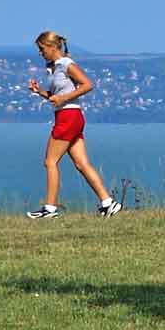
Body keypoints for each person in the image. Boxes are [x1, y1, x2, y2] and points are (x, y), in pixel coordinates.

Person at [25, 30, 121, 219]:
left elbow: (87, 84)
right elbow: (56, 98)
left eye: (42, 49)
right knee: (81, 163)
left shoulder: (66, 65)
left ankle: (50, 208)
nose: (40, 53)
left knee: (50, 162)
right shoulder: (52, 68)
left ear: (52, 47)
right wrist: (39, 92)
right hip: (69, 115)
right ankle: (108, 203)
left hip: (69, 116)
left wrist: (64, 97)